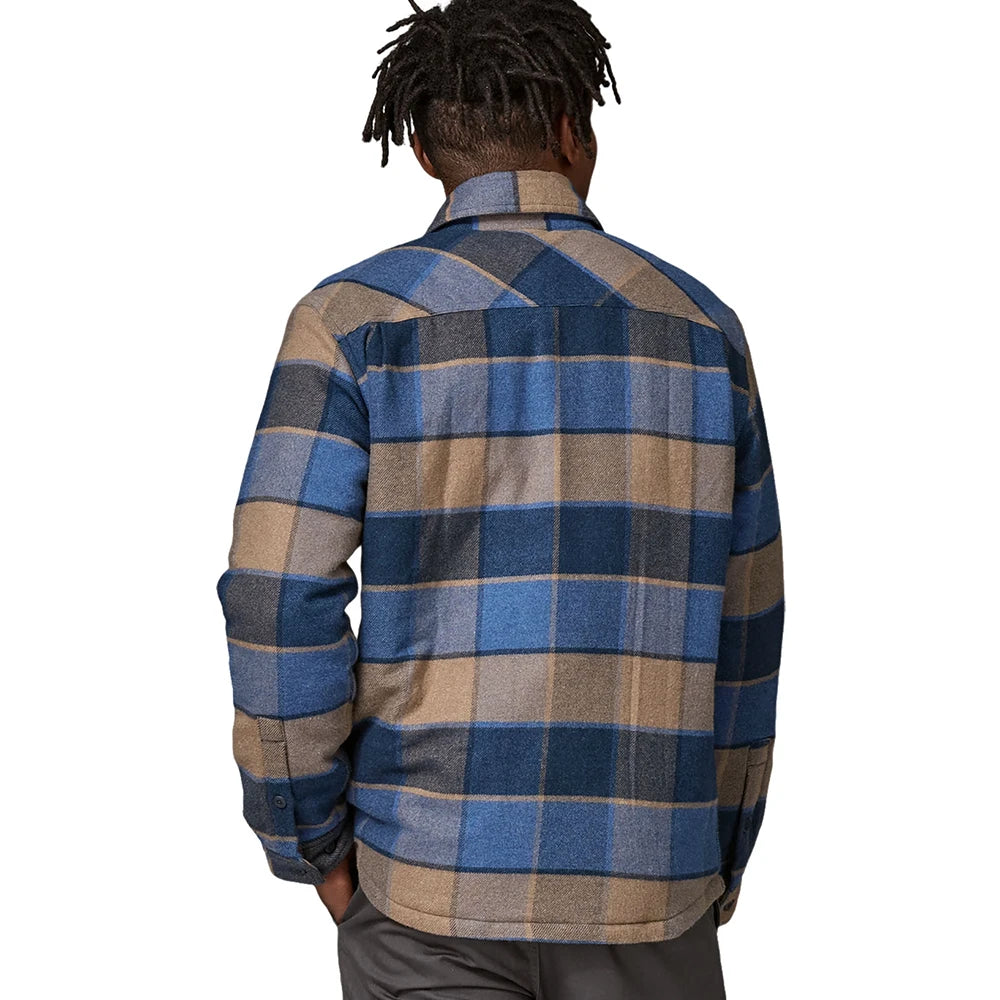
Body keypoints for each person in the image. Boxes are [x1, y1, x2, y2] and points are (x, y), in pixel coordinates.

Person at [215, 1, 785, 996]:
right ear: (573, 129)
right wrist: (714, 853)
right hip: (649, 885)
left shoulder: (348, 324)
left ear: (424, 151)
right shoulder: (703, 331)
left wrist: (310, 840)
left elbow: (276, 596)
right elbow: (747, 622)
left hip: (424, 887)